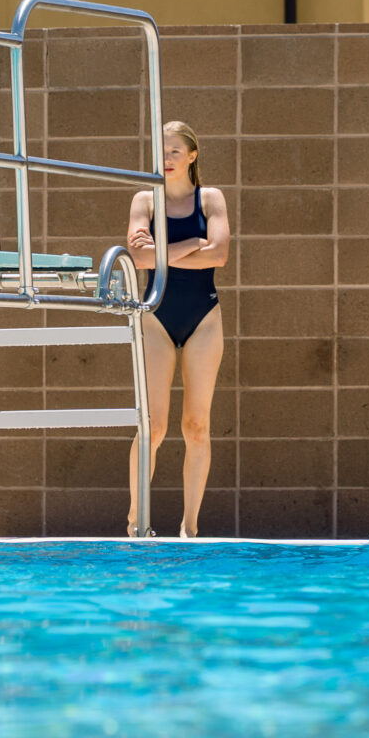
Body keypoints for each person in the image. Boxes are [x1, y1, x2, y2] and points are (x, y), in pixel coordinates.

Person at [124, 121, 231, 538]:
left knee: (196, 425)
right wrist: (190, 246)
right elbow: (139, 260)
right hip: (156, 315)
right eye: (161, 151)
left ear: (192, 156)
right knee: (153, 426)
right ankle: (136, 522)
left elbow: (218, 255)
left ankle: (190, 526)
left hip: (203, 317)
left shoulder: (211, 198)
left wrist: (161, 252)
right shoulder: (144, 201)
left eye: (174, 152)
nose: (166, 159)